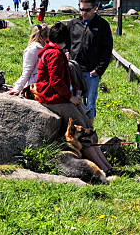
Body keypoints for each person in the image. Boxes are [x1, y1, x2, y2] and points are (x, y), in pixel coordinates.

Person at [36, 22, 113, 176]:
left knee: (87, 127)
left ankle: (106, 165)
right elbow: (56, 82)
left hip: (58, 97)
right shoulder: (54, 54)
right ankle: (104, 169)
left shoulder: (53, 51)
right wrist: (70, 97)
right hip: (53, 99)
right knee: (84, 133)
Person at [67, 0, 113, 126]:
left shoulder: (103, 25)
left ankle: (89, 131)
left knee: (89, 104)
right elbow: (66, 43)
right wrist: (66, 55)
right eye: (81, 9)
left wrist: (99, 70)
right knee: (72, 101)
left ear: (94, 9)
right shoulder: (73, 24)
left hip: (91, 73)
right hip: (73, 70)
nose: (83, 13)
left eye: (87, 10)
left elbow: (107, 49)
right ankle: (72, 130)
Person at [7, 24, 50, 95]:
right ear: (46, 36)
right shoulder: (34, 48)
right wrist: (17, 89)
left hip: (41, 84)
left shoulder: (42, 47)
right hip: (35, 85)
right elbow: (27, 71)